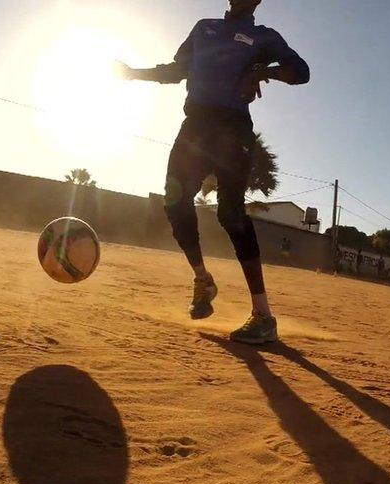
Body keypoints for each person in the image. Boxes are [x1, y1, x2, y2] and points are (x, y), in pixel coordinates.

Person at [119, 0, 309, 344]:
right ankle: (203, 281)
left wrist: (262, 70)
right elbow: (176, 71)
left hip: (233, 129)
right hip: (195, 128)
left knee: (232, 215)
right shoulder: (203, 28)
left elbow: (301, 71)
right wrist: (133, 73)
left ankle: (263, 316)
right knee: (175, 201)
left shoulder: (263, 37)